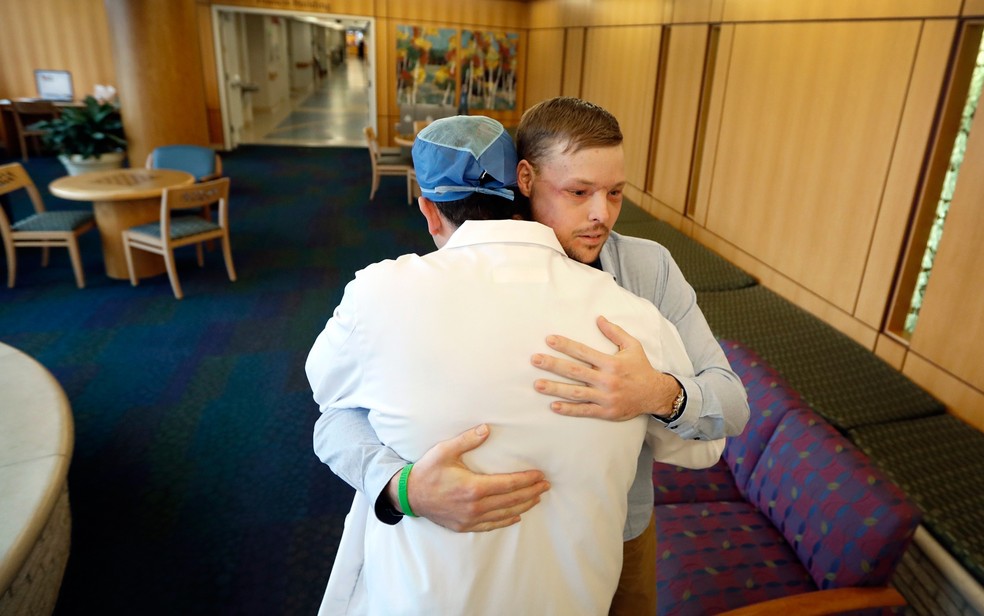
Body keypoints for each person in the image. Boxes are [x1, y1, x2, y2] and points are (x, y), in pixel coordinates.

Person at [314, 98, 750, 615]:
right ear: (525, 179)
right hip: (468, 549)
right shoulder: (429, 285)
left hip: (611, 528)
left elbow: (729, 410)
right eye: (579, 192)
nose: (601, 214)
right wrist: (399, 485)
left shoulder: (645, 278)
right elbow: (338, 415)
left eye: (615, 193)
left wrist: (658, 392)